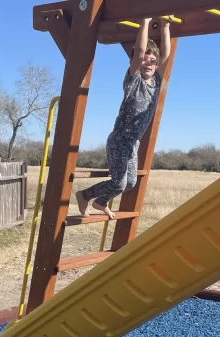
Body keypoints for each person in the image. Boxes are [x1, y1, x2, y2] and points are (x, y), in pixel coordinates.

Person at [76, 17, 172, 219]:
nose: (149, 63)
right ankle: (84, 195)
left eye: (152, 61)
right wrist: (144, 23)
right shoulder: (134, 79)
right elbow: (139, 54)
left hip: (132, 144)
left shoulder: (156, 81)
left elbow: (165, 56)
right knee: (119, 182)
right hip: (119, 140)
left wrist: (166, 26)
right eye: (145, 59)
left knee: (130, 183)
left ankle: (101, 203)